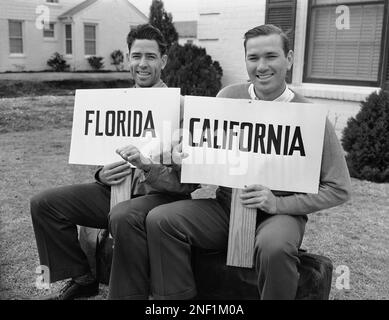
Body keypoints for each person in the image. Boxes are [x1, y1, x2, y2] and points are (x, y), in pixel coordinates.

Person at [142, 24, 352, 300]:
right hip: (226, 207)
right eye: (253, 58)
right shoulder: (227, 98)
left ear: (288, 59)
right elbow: (204, 155)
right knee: (161, 219)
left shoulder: (311, 117)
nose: (261, 66)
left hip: (280, 214)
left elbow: (339, 188)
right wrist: (185, 157)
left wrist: (279, 204)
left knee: (273, 247)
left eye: (271, 56)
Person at [30, 24, 197, 300]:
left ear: (164, 61)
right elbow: (105, 157)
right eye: (136, 56)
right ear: (128, 58)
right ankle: (84, 277)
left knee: (123, 215)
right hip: (113, 193)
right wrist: (101, 175)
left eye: (151, 57)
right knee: (44, 204)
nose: (142, 64)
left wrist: (148, 167)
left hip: (160, 199)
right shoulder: (116, 103)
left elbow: (186, 183)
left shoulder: (182, 109)